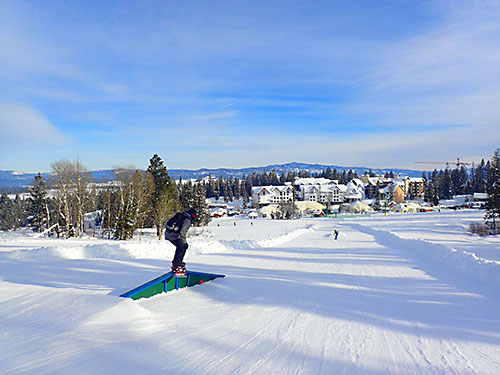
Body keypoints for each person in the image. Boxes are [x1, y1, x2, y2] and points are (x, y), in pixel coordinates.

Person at [165, 208, 197, 274]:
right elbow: (183, 233)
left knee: (180, 246)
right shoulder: (187, 220)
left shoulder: (181, 215)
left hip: (168, 233)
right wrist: (184, 243)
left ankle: (176, 263)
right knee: (183, 247)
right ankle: (177, 266)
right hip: (173, 235)